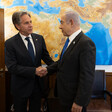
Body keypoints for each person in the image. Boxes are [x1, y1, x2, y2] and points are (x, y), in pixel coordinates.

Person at [38, 11, 96, 112]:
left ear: (71, 22)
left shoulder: (85, 43)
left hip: (74, 100)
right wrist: (47, 70)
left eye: (62, 22)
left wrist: (79, 102)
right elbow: (62, 62)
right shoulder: (70, 41)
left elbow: (87, 76)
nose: (60, 27)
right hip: (65, 96)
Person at [5, 11, 54, 112]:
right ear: (18, 26)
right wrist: (34, 71)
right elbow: (12, 67)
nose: (31, 25)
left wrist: (58, 67)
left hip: (37, 86)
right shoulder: (10, 43)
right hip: (20, 87)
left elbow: (47, 59)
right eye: (26, 23)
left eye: (31, 22)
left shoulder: (39, 39)